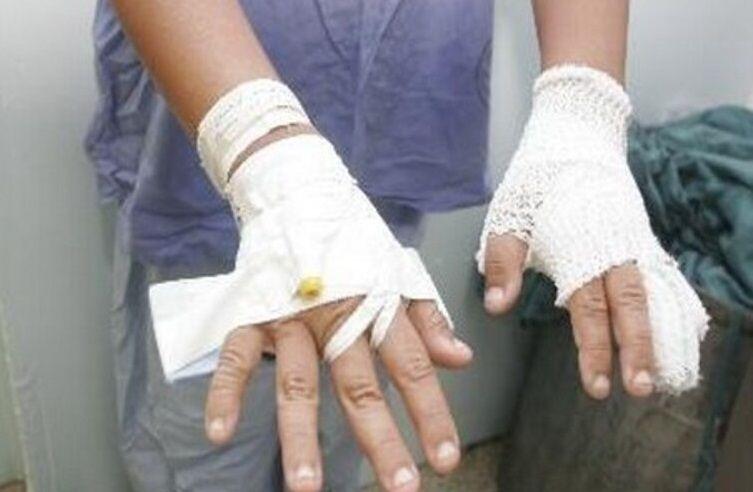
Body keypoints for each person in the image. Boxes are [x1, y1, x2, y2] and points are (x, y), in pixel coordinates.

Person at [85, 1, 706, 491]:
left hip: (391, 139)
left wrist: (580, 111)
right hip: (211, 140)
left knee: (346, 419)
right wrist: (270, 160)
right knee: (208, 446)